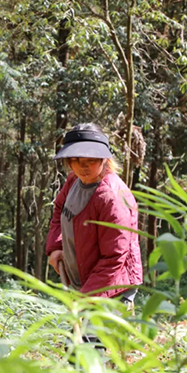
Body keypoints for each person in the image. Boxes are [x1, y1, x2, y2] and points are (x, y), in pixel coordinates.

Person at [46, 123, 142, 306]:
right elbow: (59, 209)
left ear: (104, 159)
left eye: (90, 159)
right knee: (77, 335)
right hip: (84, 284)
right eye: (75, 159)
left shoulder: (111, 197)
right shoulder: (74, 180)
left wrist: (86, 298)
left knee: (90, 336)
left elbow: (114, 257)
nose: (83, 166)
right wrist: (56, 246)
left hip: (111, 290)